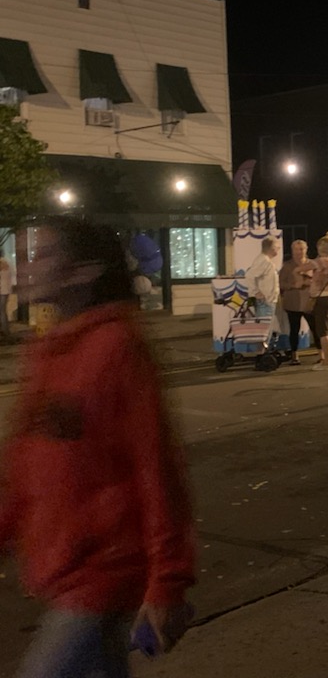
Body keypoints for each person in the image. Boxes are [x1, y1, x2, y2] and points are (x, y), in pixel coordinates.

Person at [0, 216, 195, 677]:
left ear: (83, 271)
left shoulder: (118, 346)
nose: (24, 266)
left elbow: (156, 466)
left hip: (102, 570)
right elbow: (26, 464)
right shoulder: (46, 350)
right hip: (60, 564)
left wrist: (167, 581)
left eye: (40, 254)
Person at [295, 236, 328, 370]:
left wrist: (300, 280)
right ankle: (326, 359)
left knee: (323, 331)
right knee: (324, 328)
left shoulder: (320, 262)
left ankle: (327, 361)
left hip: (321, 297)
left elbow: (299, 269)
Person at [243, 237, 280, 359]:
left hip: (269, 300)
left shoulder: (266, 261)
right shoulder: (264, 261)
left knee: (266, 329)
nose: (278, 249)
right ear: (271, 248)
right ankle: (261, 355)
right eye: (277, 247)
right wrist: (256, 292)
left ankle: (263, 354)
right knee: (264, 330)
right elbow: (249, 275)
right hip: (266, 301)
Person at [278, 239, 312, 365]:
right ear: (292, 251)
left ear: (306, 250)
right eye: (297, 249)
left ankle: (322, 355)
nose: (300, 252)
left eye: (302, 249)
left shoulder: (311, 264)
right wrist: (293, 285)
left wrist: (310, 282)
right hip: (293, 303)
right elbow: (281, 283)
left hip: (309, 303)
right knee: (294, 329)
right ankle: (294, 355)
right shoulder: (287, 266)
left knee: (316, 328)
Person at [0, 252, 11, 338]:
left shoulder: (1, 263)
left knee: (2, 311)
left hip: (1, 290)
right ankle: (5, 329)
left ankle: (4, 330)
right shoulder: (6, 262)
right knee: (3, 311)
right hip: (6, 290)